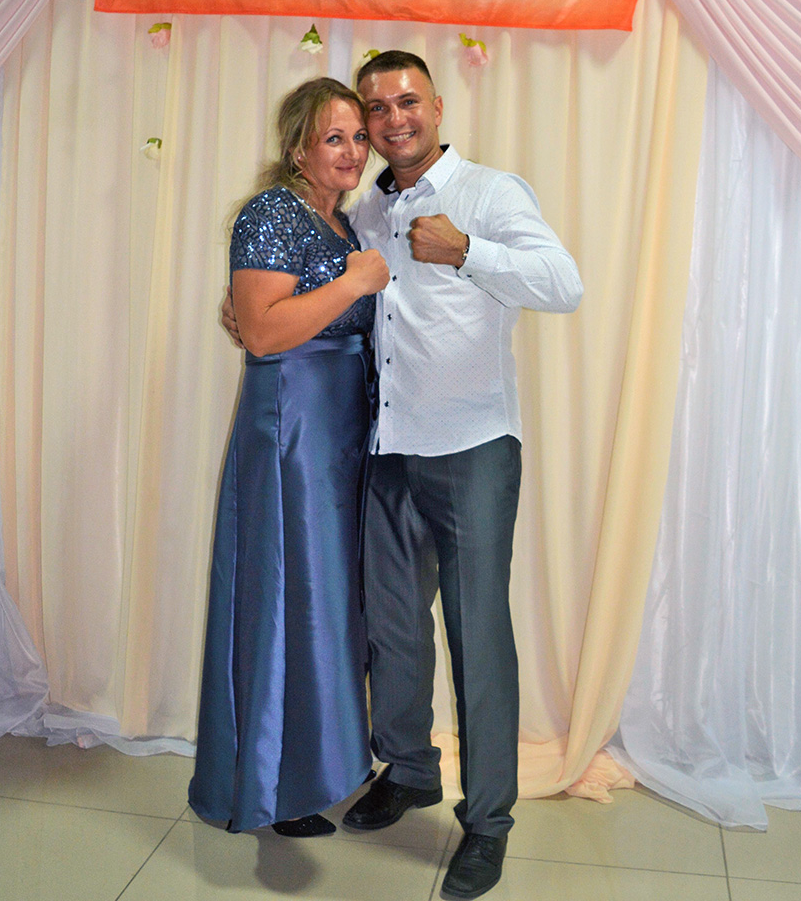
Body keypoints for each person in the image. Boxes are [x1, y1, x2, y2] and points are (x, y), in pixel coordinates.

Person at [337, 51, 583, 901]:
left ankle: (488, 823)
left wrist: (468, 249)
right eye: (377, 108)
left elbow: (564, 284)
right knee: (394, 628)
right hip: (390, 446)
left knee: (478, 636)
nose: (393, 119)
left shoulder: (490, 191)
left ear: (437, 107)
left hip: (474, 446)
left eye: (407, 101)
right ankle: (408, 771)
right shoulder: (367, 209)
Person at [189, 77, 389, 838]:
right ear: (299, 147)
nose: (352, 151)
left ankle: (316, 767)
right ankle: (274, 784)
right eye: (334, 138)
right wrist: (354, 282)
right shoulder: (272, 212)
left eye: (358, 137)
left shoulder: (343, 221)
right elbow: (264, 332)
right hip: (294, 430)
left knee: (328, 600)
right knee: (288, 595)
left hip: (342, 429)